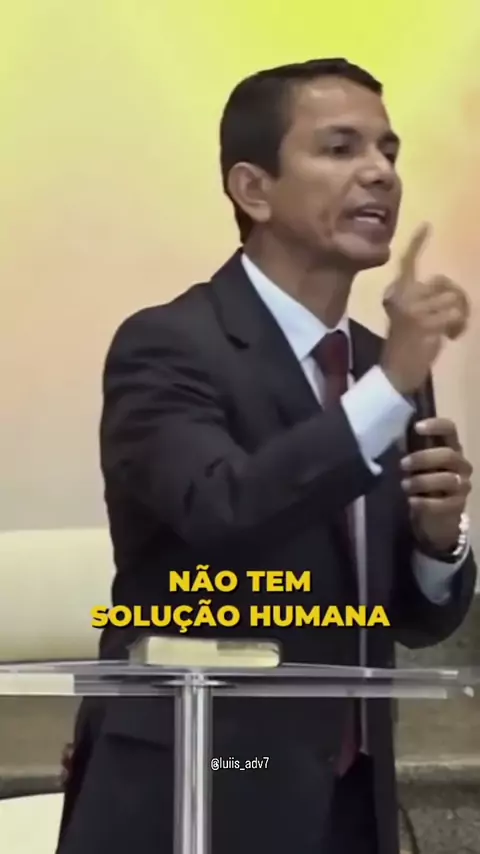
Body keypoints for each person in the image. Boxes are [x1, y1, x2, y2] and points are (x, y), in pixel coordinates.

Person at [57, 58, 476, 854]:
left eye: (388, 150)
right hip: (199, 789)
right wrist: (390, 387)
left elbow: (415, 621)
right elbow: (225, 508)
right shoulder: (168, 346)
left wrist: (437, 542)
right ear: (253, 189)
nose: (380, 173)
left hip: (351, 805)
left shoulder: (381, 364)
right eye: (341, 148)